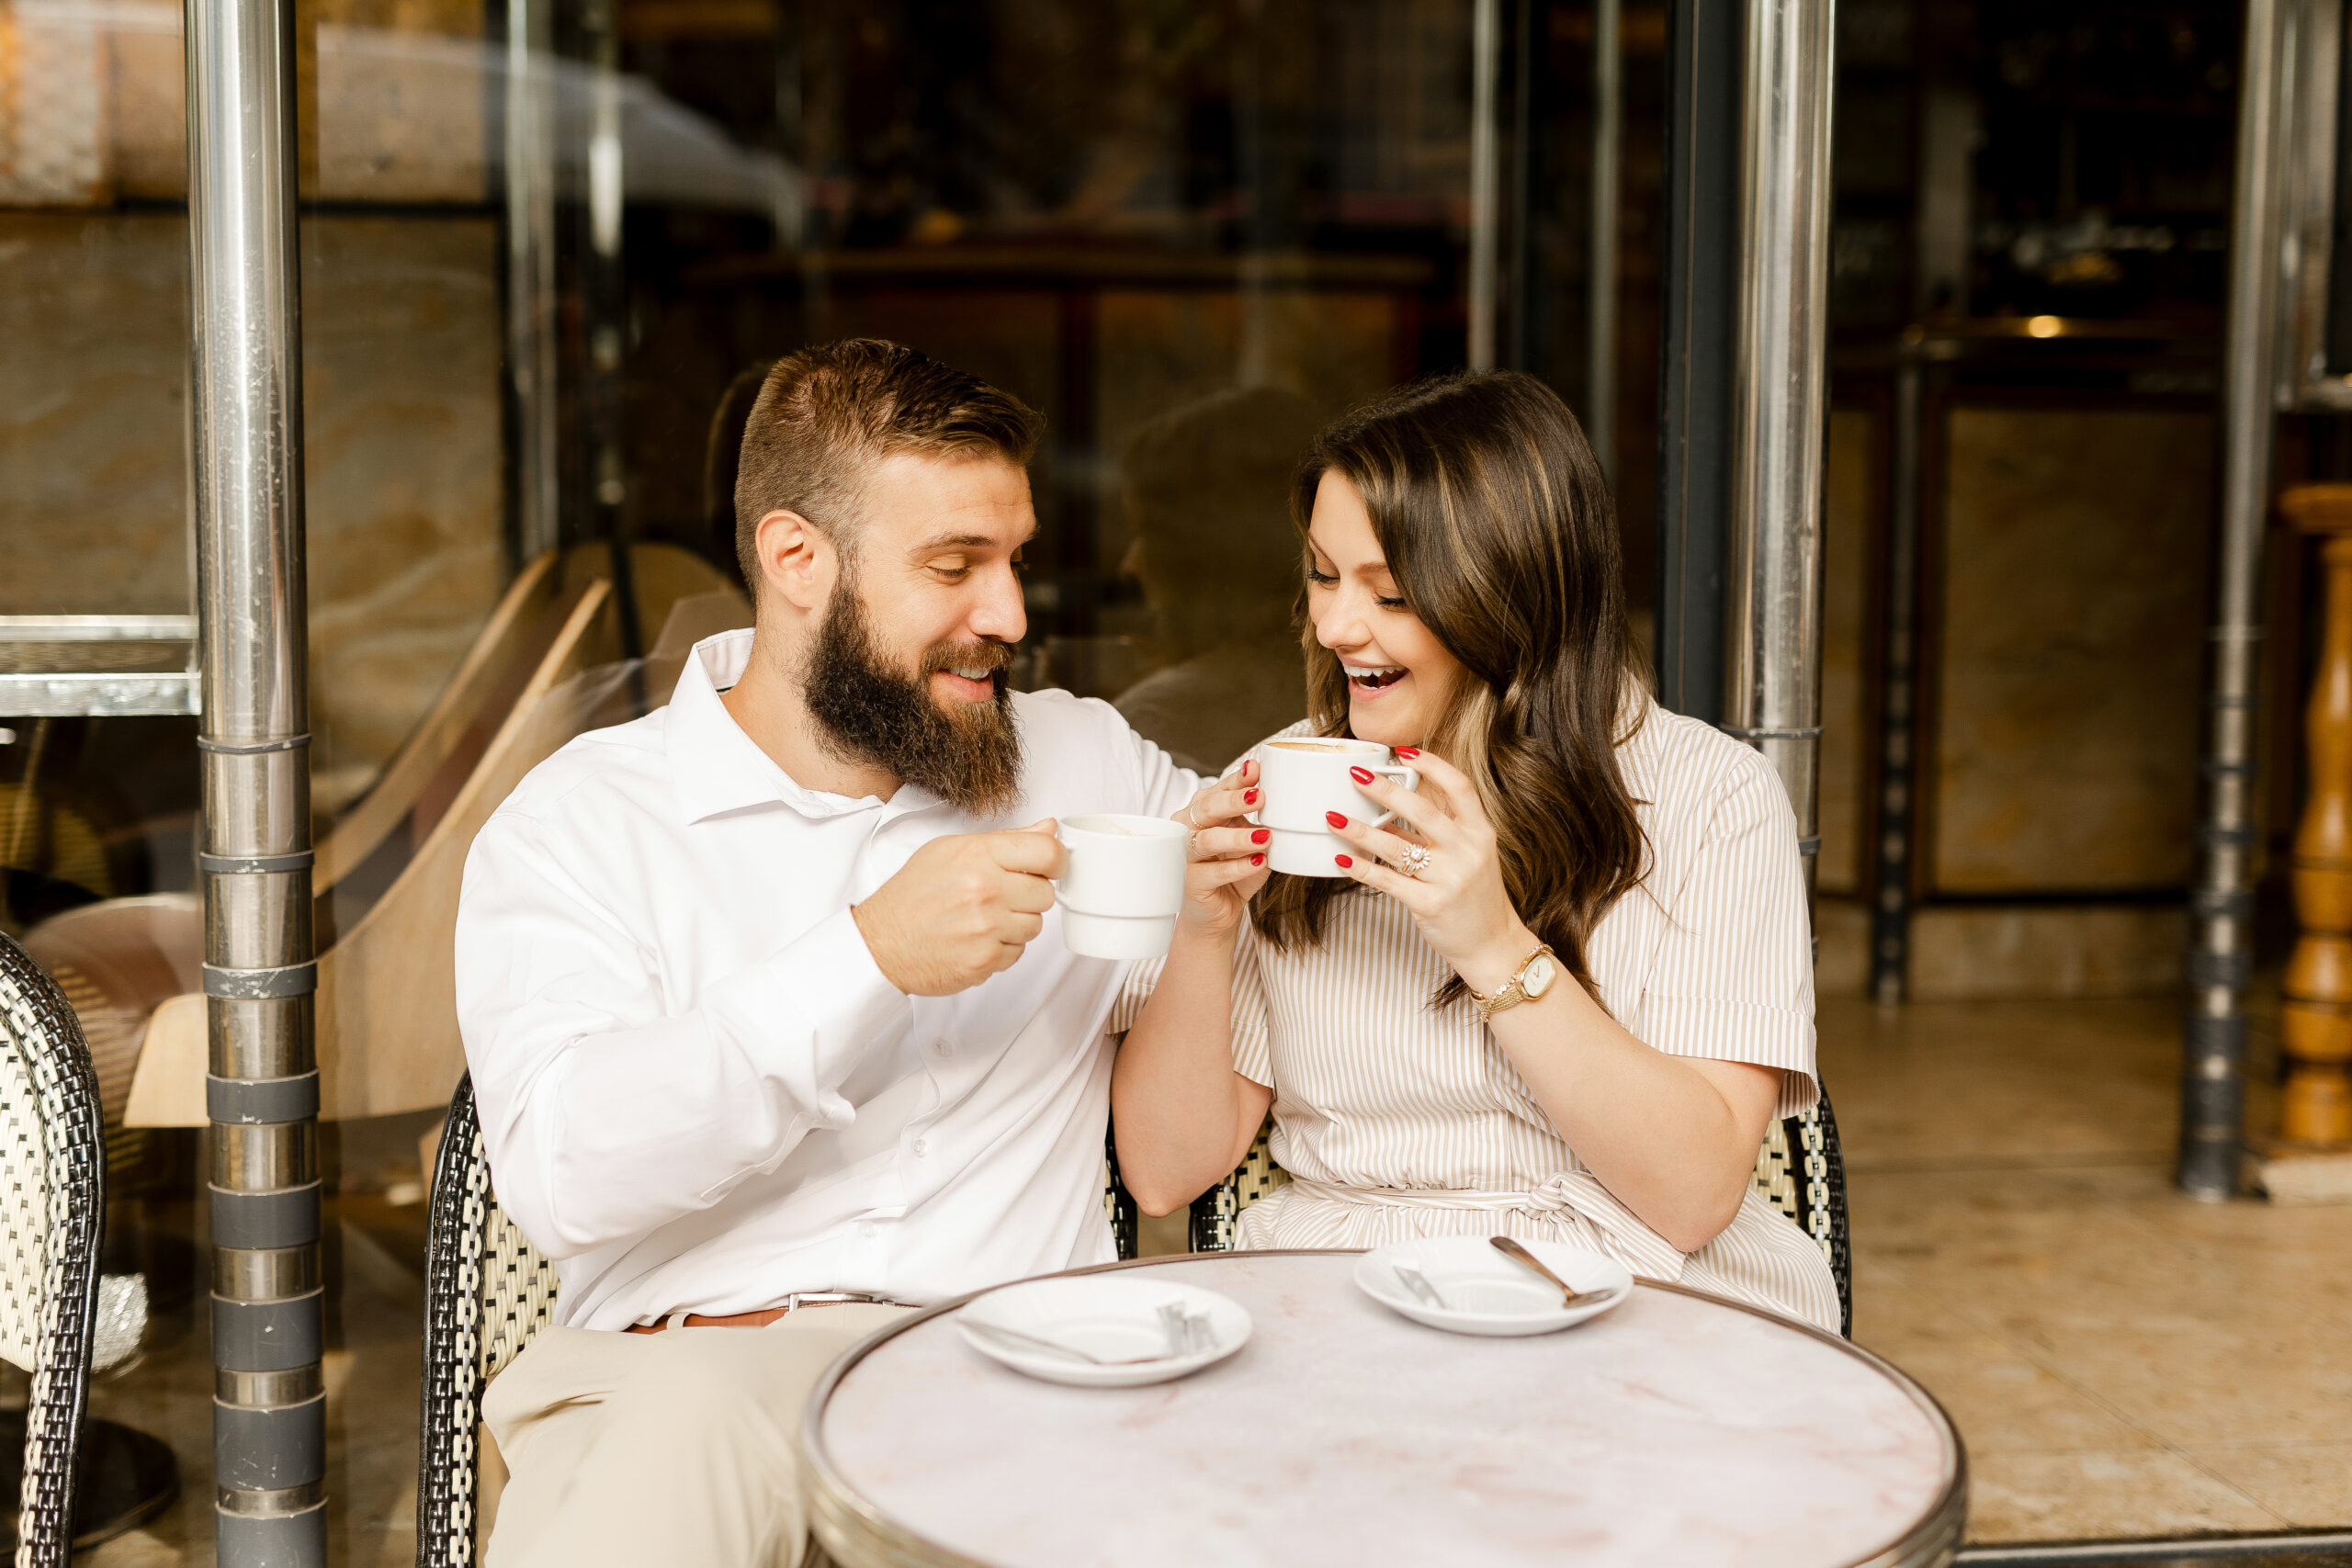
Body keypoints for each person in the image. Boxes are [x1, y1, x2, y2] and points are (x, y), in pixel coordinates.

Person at [455, 339, 1200, 1567]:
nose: (1008, 615)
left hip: (1004, 1381)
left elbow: (1275, 864)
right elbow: (564, 1169)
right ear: (797, 559)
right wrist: (868, 959)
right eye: (955, 567)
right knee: (686, 1419)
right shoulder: (585, 821)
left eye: (1013, 560)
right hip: (691, 1372)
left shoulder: (1088, 765)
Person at [1116, 370, 1840, 1332]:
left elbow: (1694, 1195)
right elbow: (1167, 1173)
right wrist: (1200, 929)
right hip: (1346, 1294)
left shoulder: (1709, 795)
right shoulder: (1286, 785)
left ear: (1514, 595)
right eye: (1323, 575)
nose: (1335, 627)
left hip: (1642, 1297)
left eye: (1392, 592)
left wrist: (1492, 944)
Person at [1111, 385, 1323, 773]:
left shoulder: (1147, 725)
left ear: (1200, 549)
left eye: (1147, 531)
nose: (1130, 564)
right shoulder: (1350, 693)